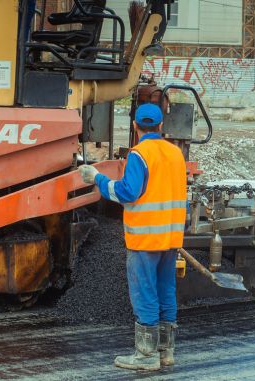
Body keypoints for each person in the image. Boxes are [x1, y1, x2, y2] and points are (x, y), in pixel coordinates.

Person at [78, 103, 187, 371]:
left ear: (135, 127)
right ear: (161, 126)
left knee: (145, 293)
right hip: (170, 238)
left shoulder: (140, 155)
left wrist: (97, 178)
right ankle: (165, 351)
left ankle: (146, 356)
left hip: (144, 238)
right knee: (166, 291)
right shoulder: (175, 154)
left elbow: (127, 193)